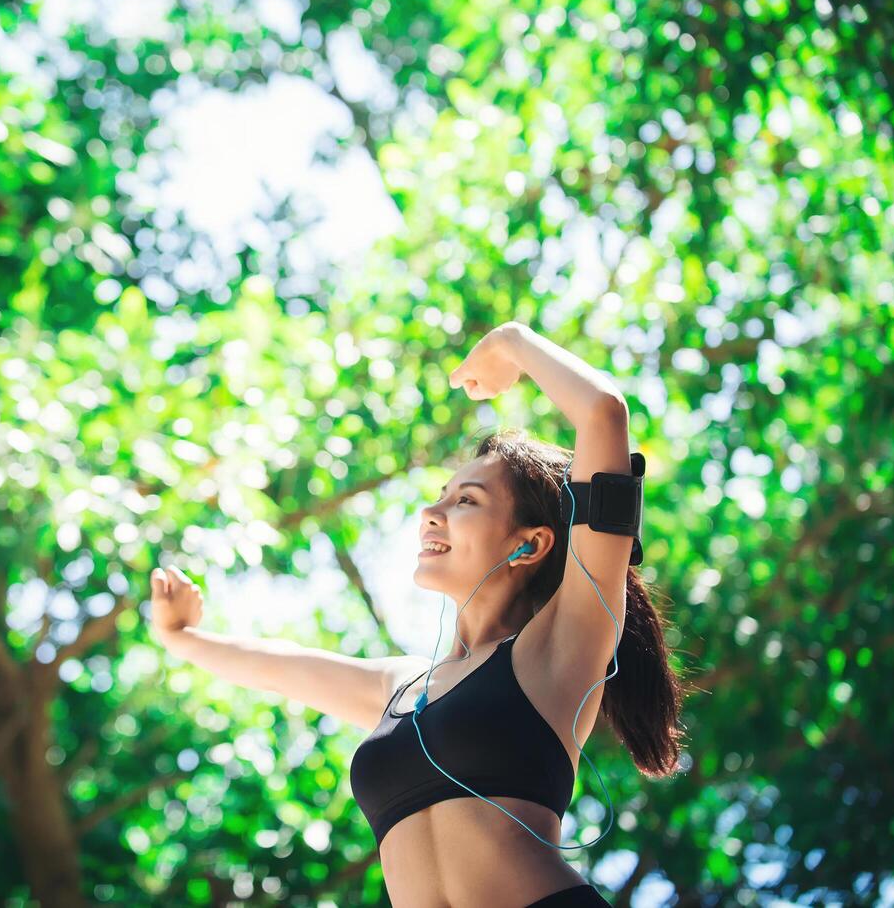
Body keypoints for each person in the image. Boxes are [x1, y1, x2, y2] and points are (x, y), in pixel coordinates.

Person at [150, 322, 688, 906]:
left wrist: (510, 342)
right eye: (439, 495)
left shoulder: (560, 647)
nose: (431, 512)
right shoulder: (401, 687)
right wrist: (181, 639)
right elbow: (285, 667)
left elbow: (603, 413)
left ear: (529, 545)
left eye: (466, 500)